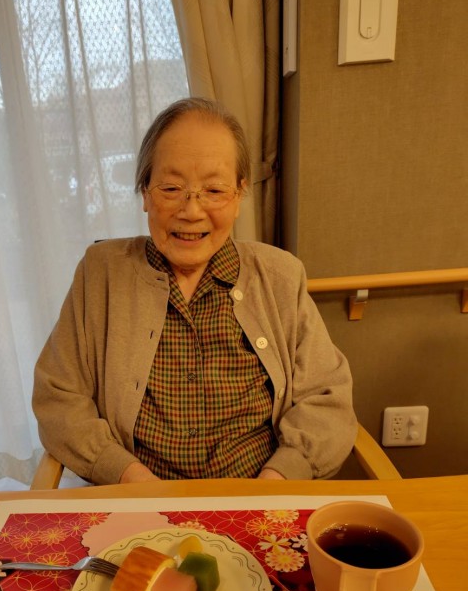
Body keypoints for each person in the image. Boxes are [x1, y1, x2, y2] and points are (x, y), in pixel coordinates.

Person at [33, 97, 357, 485]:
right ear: (145, 193)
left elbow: (327, 398)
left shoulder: (280, 277)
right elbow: (59, 396)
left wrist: (275, 483)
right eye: (171, 188)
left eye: (214, 190)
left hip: (260, 497)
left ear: (239, 196)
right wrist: (131, 479)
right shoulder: (101, 273)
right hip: (137, 499)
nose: (191, 211)